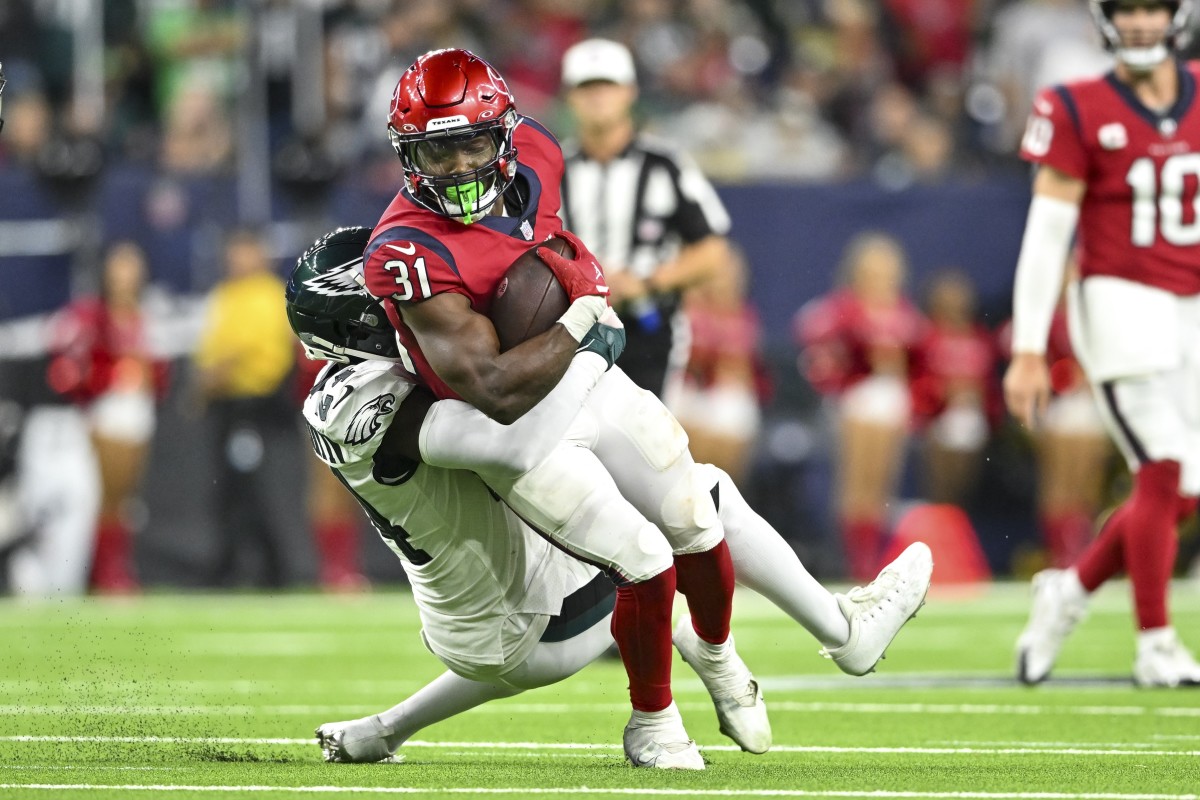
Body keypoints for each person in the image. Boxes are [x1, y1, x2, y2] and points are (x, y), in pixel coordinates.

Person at [284, 227, 933, 766]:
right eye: (395, 304)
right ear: (356, 324)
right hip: (525, 615)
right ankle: (808, 644)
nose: (420, 307)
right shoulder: (359, 402)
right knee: (686, 510)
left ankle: (388, 729)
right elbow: (511, 444)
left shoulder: (380, 374)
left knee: (667, 495)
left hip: (484, 613)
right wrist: (586, 341)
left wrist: (387, 727)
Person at [361, 47, 759, 768]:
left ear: (506, 136)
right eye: (435, 152)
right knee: (640, 556)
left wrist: (572, 306)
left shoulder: (540, 150)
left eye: (471, 144)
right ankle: (654, 722)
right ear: (407, 154)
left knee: (696, 513)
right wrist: (583, 315)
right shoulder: (405, 248)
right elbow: (491, 387)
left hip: (582, 376)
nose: (455, 167)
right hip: (517, 425)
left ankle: (721, 655)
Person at [1005, 0, 1200, 687]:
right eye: (1129, 9)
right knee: (1165, 467)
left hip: (1193, 306)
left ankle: (1071, 589)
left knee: (1185, 487)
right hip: (1119, 299)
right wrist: (1030, 346)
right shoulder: (1076, 103)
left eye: (1154, 8)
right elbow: (1048, 231)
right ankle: (1155, 642)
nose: (1143, 22)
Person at [557, 37, 736, 403]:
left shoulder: (665, 164)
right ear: (569, 96)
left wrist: (647, 282)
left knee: (645, 448)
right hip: (566, 328)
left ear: (629, 92)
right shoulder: (551, 168)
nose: (597, 96)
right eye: (586, 86)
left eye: (606, 85)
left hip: (648, 327)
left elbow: (713, 249)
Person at [794, 232, 928, 581]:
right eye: (872, 269)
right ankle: (857, 560)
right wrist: (839, 379)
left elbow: (924, 362)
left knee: (882, 484)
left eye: (887, 269)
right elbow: (814, 342)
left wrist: (918, 398)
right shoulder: (843, 308)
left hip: (892, 399)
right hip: (856, 398)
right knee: (858, 482)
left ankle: (873, 556)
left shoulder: (905, 313)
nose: (881, 277)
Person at [48, 241, 168, 593]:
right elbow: (65, 370)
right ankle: (104, 573)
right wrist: (109, 375)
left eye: (132, 266)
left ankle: (116, 567)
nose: (126, 274)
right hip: (106, 412)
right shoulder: (91, 314)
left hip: (139, 410)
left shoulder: (147, 313)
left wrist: (149, 374)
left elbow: (160, 371)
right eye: (119, 266)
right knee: (106, 496)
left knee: (128, 499)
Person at [193, 228, 297, 588]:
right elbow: (209, 349)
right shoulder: (224, 296)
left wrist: (222, 369)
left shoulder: (271, 294)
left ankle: (273, 570)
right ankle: (231, 566)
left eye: (246, 251)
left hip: (258, 407)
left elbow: (259, 352)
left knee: (255, 488)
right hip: (226, 407)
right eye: (234, 251)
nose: (238, 259)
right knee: (229, 490)